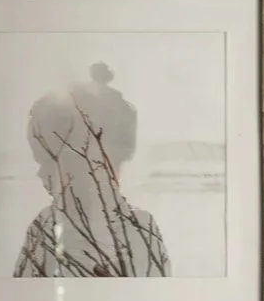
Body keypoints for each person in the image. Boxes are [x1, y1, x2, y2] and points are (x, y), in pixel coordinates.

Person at [13, 62, 171, 279]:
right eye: (43, 162)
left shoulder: (141, 229)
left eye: (51, 163)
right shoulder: (44, 228)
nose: (42, 175)